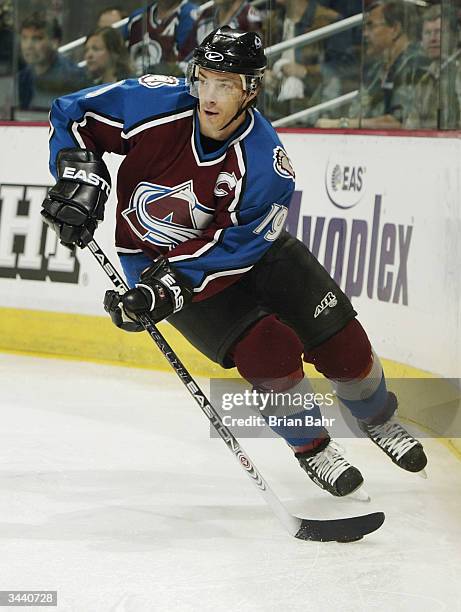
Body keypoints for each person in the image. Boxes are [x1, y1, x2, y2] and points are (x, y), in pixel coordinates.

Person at [41, 26, 427, 499]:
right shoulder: (151, 105)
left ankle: (378, 418)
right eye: (205, 79)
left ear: (251, 90)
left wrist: (168, 288)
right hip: (154, 259)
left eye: (226, 84)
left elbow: (235, 251)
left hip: (247, 256)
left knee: (346, 345)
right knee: (268, 350)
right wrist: (79, 172)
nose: (210, 95)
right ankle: (314, 449)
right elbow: (71, 114)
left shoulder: (266, 164)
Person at [317, 0, 427, 129]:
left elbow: (399, 122)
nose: (364, 34)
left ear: (395, 29)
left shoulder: (415, 64)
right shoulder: (377, 68)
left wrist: (342, 124)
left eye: (370, 26)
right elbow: (358, 109)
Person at [17, 11, 89, 111]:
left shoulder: (75, 78)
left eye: (37, 38)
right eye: (24, 38)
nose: (28, 46)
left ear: (55, 42)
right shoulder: (22, 77)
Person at [405, 4, 460, 129]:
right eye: (427, 33)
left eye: (439, 32)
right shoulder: (424, 78)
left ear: (455, 36)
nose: (432, 39)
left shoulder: (458, 72)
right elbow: (411, 126)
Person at [124, 0, 198, 77]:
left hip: (173, 84)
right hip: (136, 84)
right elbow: (123, 59)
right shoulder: (136, 18)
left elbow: (188, 64)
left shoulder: (191, 16)